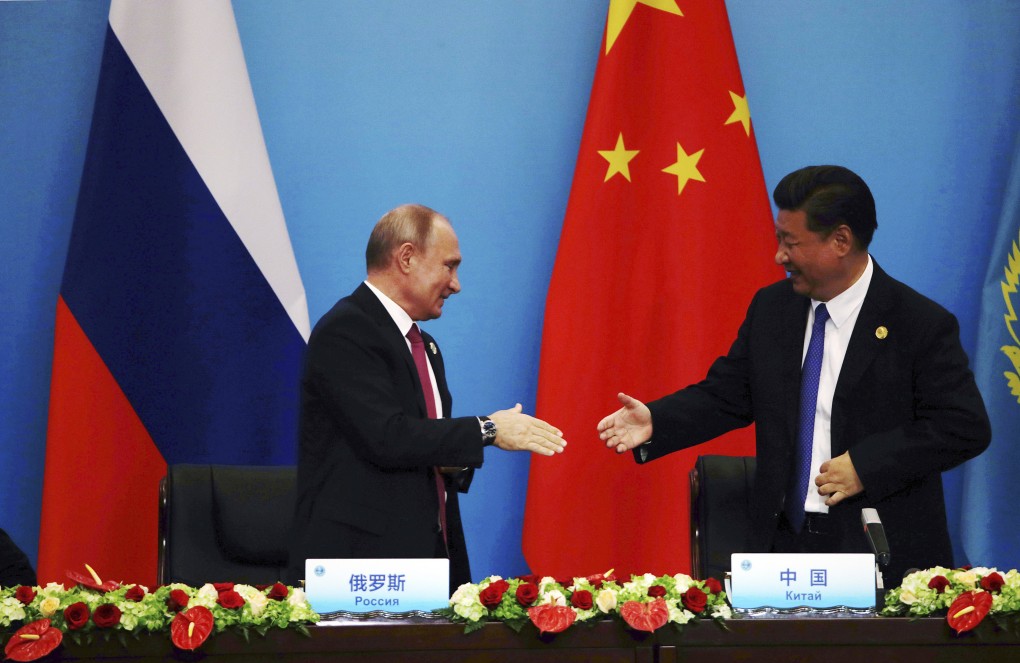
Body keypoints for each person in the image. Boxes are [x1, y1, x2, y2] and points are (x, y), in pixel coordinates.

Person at [597, 165, 990, 586]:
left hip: (880, 550)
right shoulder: (773, 308)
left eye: (791, 242)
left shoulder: (918, 323)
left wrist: (866, 465)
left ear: (841, 241)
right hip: (782, 543)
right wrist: (657, 420)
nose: (779, 256)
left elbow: (963, 426)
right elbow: (728, 394)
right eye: (779, 239)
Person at [287, 204, 566, 592]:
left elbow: (420, 445)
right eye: (449, 266)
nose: (456, 284)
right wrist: (488, 430)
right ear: (406, 258)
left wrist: (455, 458)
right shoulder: (346, 330)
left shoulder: (425, 346)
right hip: (360, 572)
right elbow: (387, 437)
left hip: (428, 562)